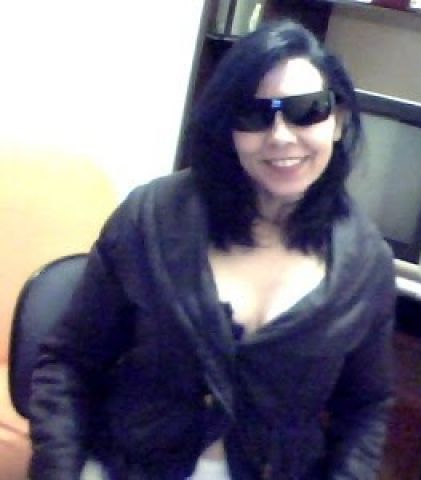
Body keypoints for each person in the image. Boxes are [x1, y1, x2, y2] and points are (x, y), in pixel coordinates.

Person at [28, 19, 397, 480]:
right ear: (228, 129)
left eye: (307, 111)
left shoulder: (366, 266)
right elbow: (68, 363)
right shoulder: (151, 218)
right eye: (255, 116)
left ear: (338, 120)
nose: (281, 136)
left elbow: (365, 408)